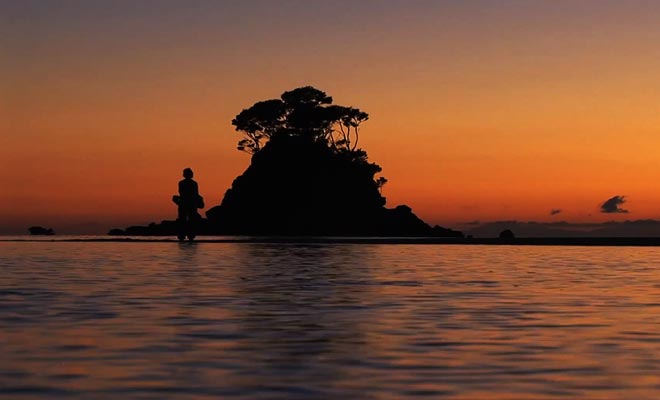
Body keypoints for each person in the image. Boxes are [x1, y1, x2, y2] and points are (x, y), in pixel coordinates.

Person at [173, 168, 203, 241]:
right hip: (189, 203)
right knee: (187, 219)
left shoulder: (184, 183)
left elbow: (182, 192)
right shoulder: (191, 183)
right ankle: (187, 235)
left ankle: (184, 235)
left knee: (186, 219)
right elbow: (194, 193)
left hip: (186, 203)